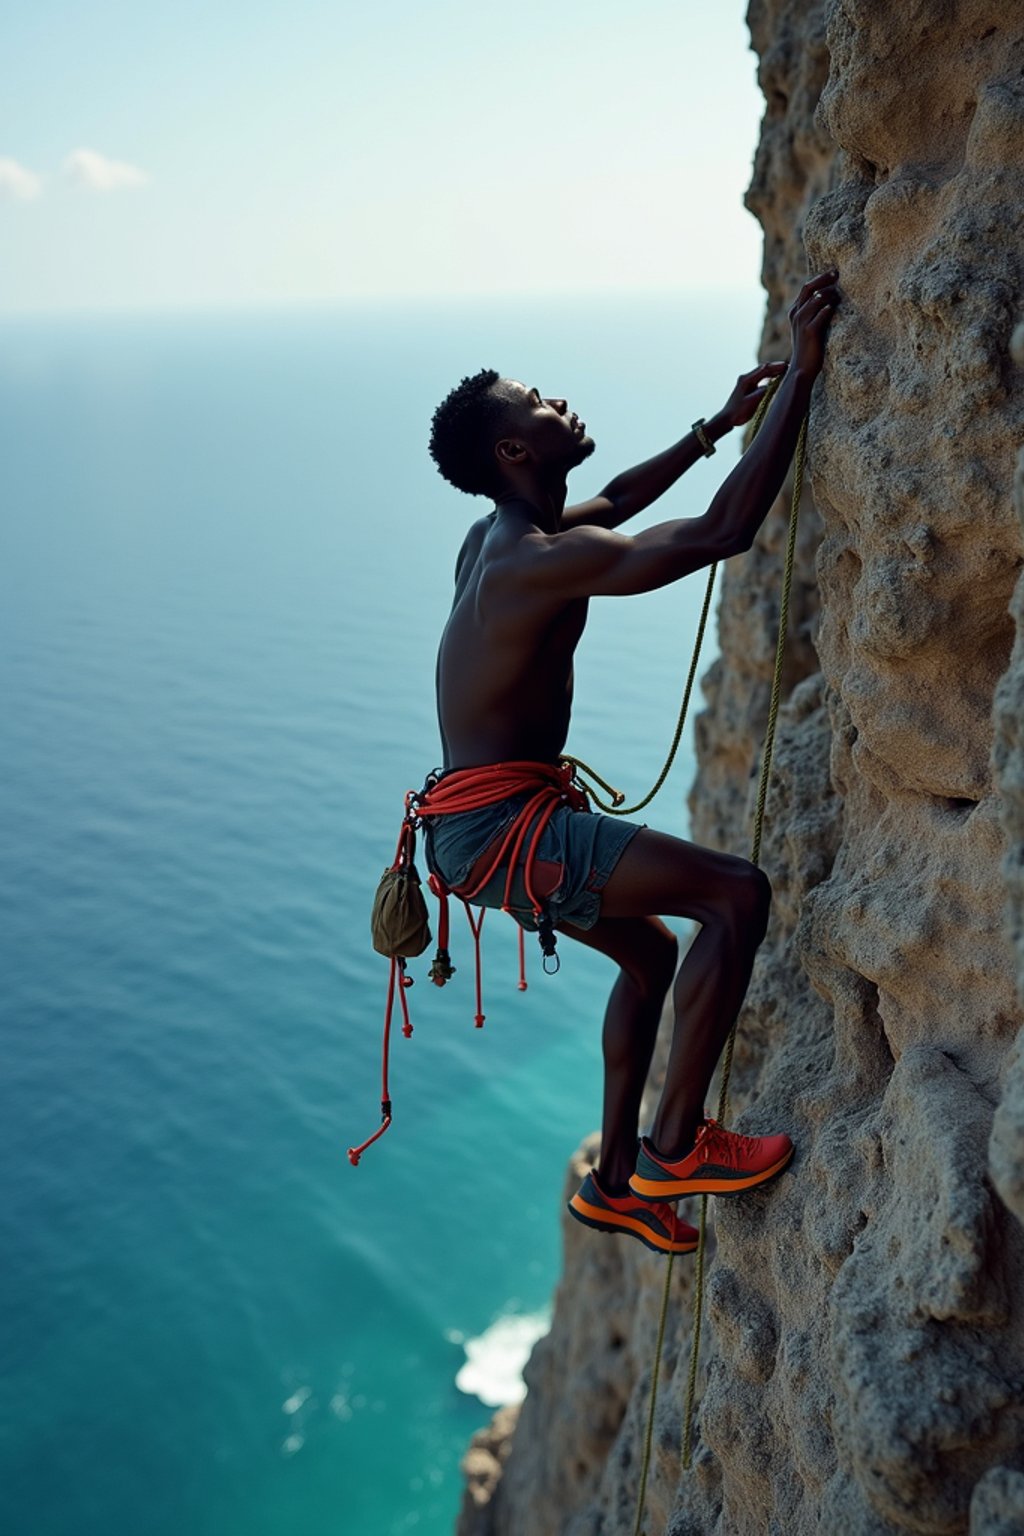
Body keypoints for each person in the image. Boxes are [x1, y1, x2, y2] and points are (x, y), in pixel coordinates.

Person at [417, 270, 840, 1255]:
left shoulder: (501, 536)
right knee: (735, 896)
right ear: (516, 448)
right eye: (539, 404)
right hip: (504, 831)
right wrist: (804, 379)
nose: (560, 401)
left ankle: (613, 1182)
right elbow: (722, 533)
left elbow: (610, 501)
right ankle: (673, 1147)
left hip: (472, 828)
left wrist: (712, 429)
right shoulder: (529, 561)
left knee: (650, 954)